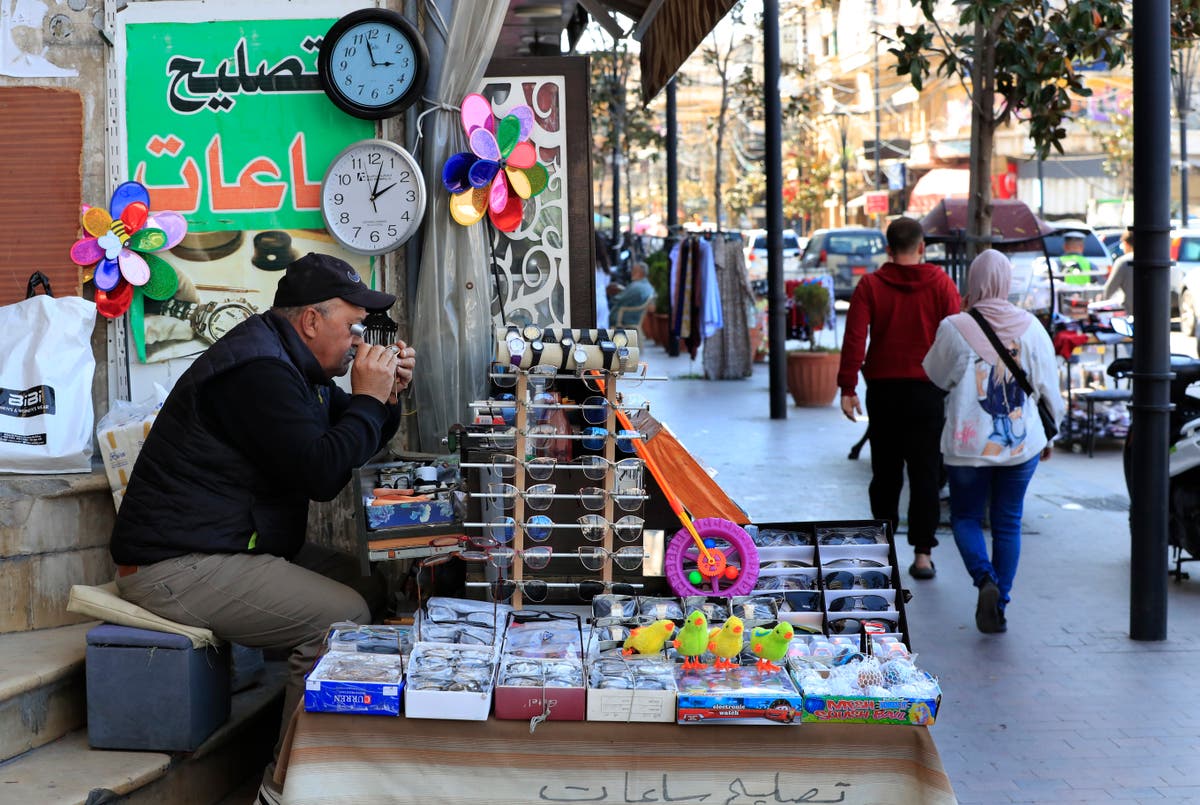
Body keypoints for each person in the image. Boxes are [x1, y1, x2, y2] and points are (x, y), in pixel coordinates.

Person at [109, 252, 415, 805]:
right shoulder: (258, 371)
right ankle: (284, 785)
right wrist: (369, 398)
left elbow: (350, 432)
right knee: (340, 617)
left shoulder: (295, 362)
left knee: (368, 583)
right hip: (172, 565)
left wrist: (386, 396)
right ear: (312, 321)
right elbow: (322, 472)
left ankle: (340, 752)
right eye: (353, 327)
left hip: (228, 547)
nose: (358, 342)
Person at [922, 249, 1064, 634]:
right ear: (1007, 282)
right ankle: (999, 605)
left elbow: (936, 377)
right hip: (1022, 445)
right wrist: (1052, 434)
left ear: (973, 281)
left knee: (965, 517)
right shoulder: (1032, 328)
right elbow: (1050, 388)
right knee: (1008, 522)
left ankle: (984, 577)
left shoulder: (954, 326)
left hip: (967, 447)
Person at [837, 217, 961, 579]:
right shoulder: (941, 283)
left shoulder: (871, 285)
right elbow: (956, 336)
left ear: (888, 249)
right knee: (926, 474)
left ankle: (883, 552)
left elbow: (855, 337)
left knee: (885, 474)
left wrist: (848, 387)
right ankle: (922, 556)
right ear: (922, 247)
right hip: (928, 391)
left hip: (884, 391)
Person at [607, 260, 655, 328]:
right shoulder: (648, 286)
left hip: (624, 319)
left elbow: (616, 300)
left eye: (633, 271)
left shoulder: (635, 286)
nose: (631, 273)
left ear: (639, 272)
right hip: (636, 318)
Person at [1102, 230, 1134, 310]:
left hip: (1129, 313)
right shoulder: (1156, 261)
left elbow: (1108, 290)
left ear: (1126, 244)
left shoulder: (1123, 262)